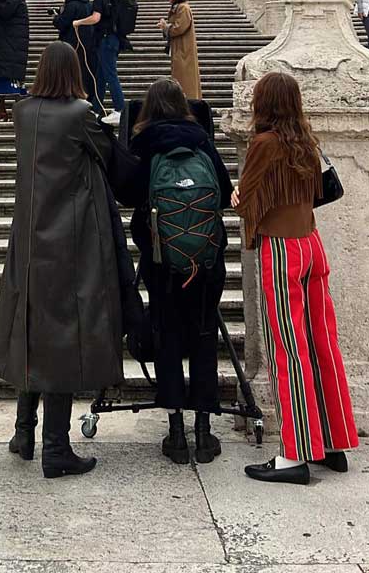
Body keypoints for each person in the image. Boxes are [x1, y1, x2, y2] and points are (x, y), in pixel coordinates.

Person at [0, 41, 127, 478]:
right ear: (73, 72)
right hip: (68, 238)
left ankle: (23, 433)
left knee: (30, 330)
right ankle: (56, 447)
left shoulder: (22, 112)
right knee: (63, 336)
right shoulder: (79, 114)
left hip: (29, 237)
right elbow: (108, 156)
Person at [231, 71, 358, 485]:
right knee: (323, 344)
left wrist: (236, 195)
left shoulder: (264, 143)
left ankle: (294, 453)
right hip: (311, 245)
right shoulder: (305, 139)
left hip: (282, 249)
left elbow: (247, 202)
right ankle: (333, 442)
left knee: (288, 350)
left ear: (264, 103)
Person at [108, 77, 232, 465]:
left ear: (148, 108)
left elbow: (128, 195)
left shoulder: (144, 144)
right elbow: (225, 193)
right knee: (204, 334)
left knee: (167, 336)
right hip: (206, 261)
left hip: (162, 260)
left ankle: (176, 432)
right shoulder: (202, 141)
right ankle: (204, 432)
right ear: (184, 106)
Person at [73, 0, 124, 126]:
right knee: (100, 76)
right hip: (113, 40)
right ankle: (96, 109)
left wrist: (79, 22)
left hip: (105, 40)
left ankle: (120, 110)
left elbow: (96, 18)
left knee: (110, 75)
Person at [51, 0, 95, 99]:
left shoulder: (71, 4)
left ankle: (69, 95)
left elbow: (62, 23)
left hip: (71, 44)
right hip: (87, 45)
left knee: (69, 71)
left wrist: (56, 17)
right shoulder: (89, 4)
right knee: (84, 71)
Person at [158, 0, 201, 100]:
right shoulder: (179, 8)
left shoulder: (183, 8)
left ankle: (188, 103)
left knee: (185, 81)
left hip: (183, 51)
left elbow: (179, 28)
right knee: (180, 79)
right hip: (180, 50)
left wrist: (165, 27)